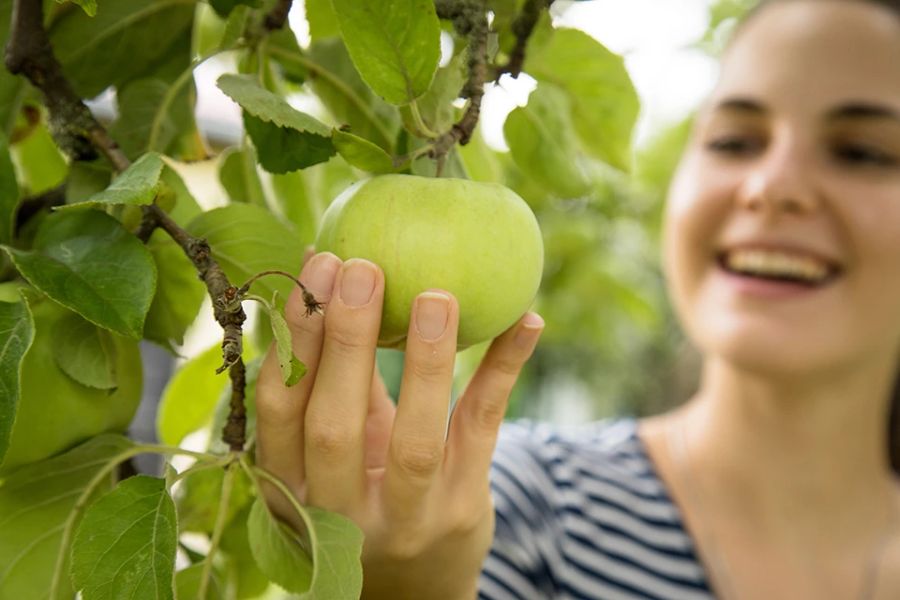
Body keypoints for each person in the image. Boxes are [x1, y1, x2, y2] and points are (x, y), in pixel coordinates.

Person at [254, 0, 900, 597]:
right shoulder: (509, 510)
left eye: (863, 152)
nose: (770, 186)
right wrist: (411, 589)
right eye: (734, 141)